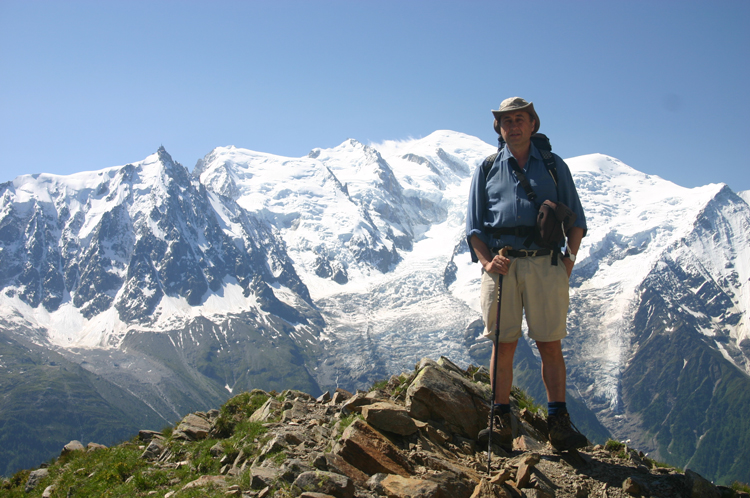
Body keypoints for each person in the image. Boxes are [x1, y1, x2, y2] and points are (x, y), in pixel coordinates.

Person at [466, 97, 588, 451]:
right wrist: (488, 263)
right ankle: (501, 420)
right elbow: (474, 228)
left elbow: (576, 219)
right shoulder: (487, 168)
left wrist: (569, 259)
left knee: (549, 343)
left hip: (546, 262)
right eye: (507, 121)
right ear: (499, 129)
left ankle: (558, 423)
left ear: (533, 124)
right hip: (501, 263)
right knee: (503, 344)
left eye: (519, 119)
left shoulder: (552, 165)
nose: (513, 126)